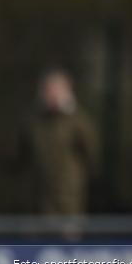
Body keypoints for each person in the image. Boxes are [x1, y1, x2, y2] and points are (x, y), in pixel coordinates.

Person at [17, 68, 99, 216]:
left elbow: (91, 153)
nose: (53, 94)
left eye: (57, 89)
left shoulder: (78, 120)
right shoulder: (32, 121)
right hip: (37, 198)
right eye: (49, 89)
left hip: (68, 198)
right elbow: (21, 155)